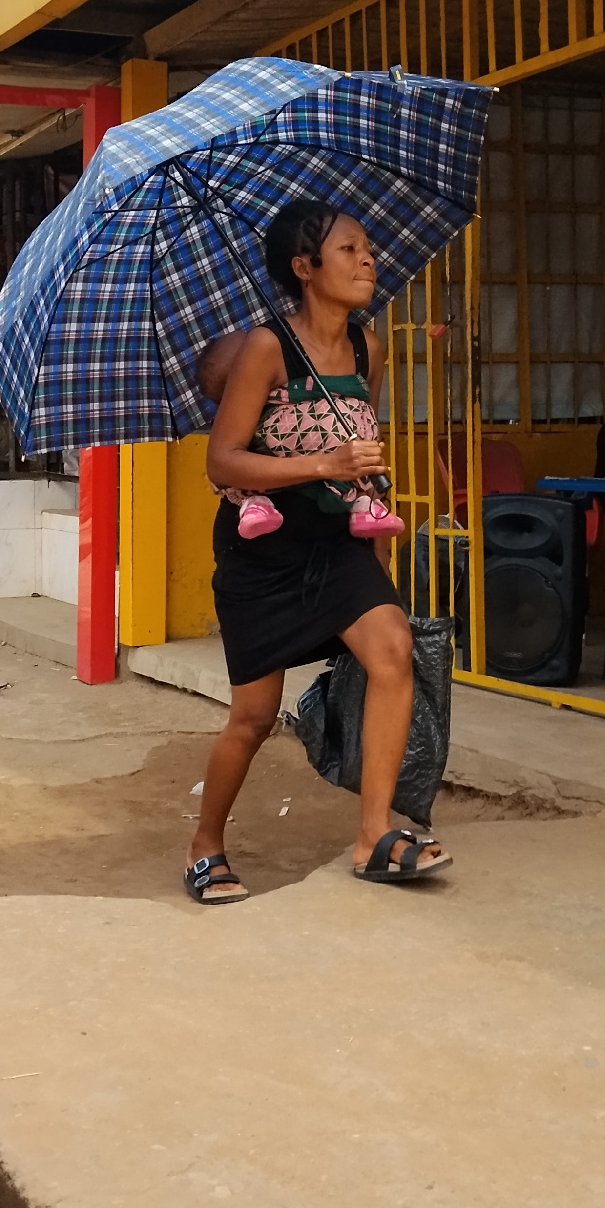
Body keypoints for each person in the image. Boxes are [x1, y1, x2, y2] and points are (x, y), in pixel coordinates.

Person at [184, 200, 451, 903]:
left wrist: (375, 552)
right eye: (348, 249)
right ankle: (206, 843)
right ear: (305, 268)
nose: (367, 259)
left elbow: (358, 454)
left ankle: (374, 835)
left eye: (367, 247)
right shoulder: (265, 349)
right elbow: (223, 460)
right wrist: (324, 464)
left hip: (338, 538)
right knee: (253, 716)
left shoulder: (369, 348)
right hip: (264, 549)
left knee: (392, 650)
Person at [195, 333, 403, 541]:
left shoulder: (358, 353)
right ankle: (256, 506)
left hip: (339, 532)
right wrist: (326, 464)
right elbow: (222, 469)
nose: (259, 352)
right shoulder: (246, 424)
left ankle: (363, 507)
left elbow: (368, 430)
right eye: (249, 354)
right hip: (266, 541)